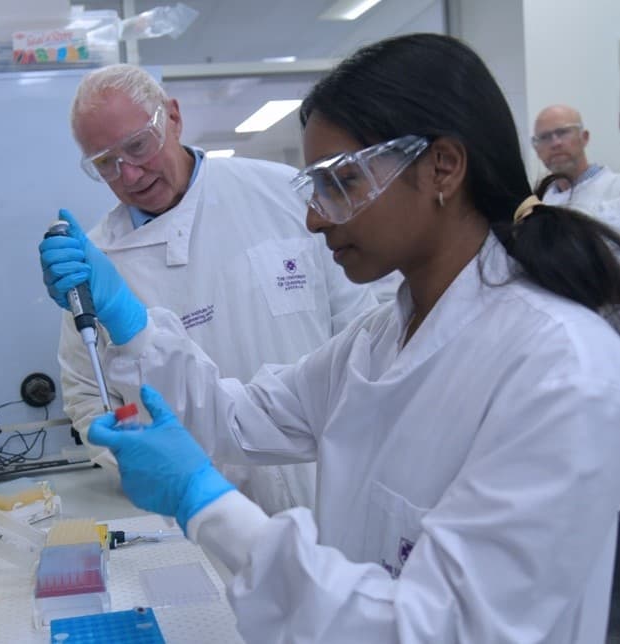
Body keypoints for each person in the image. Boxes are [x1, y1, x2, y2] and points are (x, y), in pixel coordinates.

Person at [40, 33, 620, 641]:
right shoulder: (382, 336)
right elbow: (241, 417)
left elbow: (437, 630)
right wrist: (130, 324)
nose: (315, 217)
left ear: (442, 167)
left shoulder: (558, 368)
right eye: (315, 187)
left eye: (341, 183)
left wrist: (204, 502)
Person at [44, 64, 377, 515]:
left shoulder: (283, 196)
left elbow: (361, 334)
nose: (131, 175)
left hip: (331, 489)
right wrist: (145, 467)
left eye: (138, 146)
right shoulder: (98, 265)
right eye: (106, 164)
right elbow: (88, 398)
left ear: (173, 116)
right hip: (195, 516)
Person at [532, 103, 620, 216]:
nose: (555, 143)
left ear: (584, 137)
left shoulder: (615, 188)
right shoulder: (539, 204)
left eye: (562, 132)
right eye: (545, 137)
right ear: (537, 150)